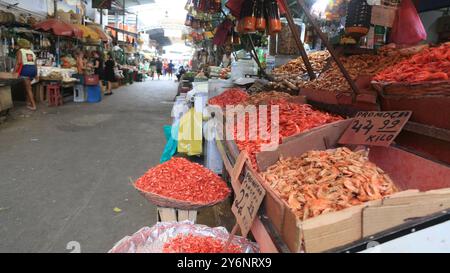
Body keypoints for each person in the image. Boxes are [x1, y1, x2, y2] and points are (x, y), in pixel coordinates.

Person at [14, 39, 37, 111]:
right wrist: (36, 74)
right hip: (33, 70)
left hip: (26, 70)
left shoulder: (20, 51)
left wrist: (14, 72)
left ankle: (34, 105)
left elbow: (19, 62)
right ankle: (28, 102)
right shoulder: (31, 52)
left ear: (20, 44)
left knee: (28, 88)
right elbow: (35, 64)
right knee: (29, 87)